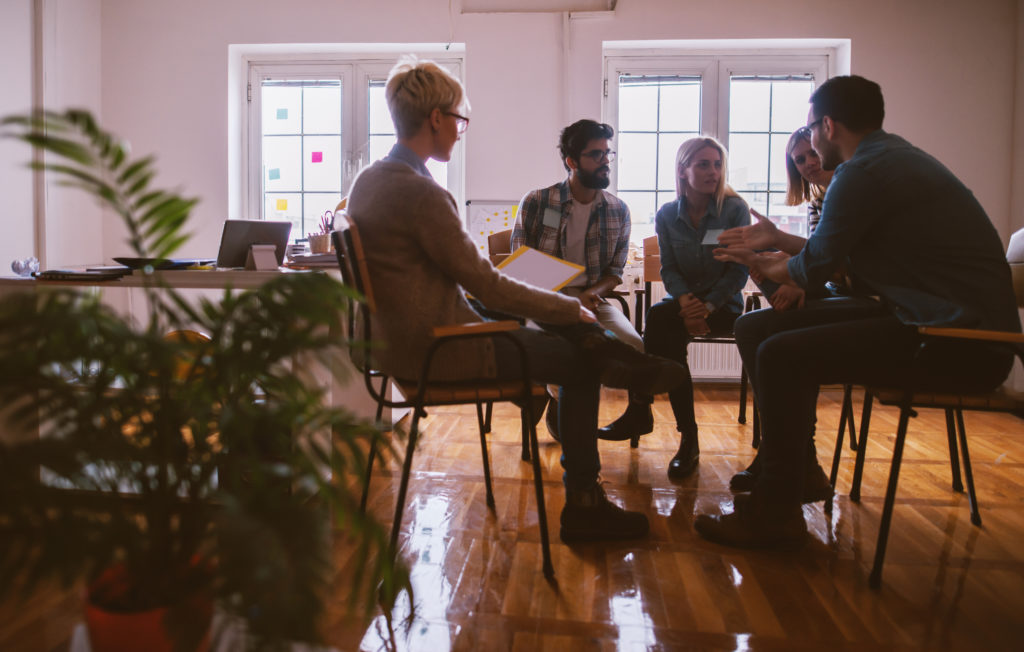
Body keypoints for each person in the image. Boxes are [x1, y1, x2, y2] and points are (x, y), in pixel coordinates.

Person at [346, 56, 687, 543]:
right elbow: (486, 282)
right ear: (436, 119)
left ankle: (605, 348)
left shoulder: (369, 182)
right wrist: (570, 308)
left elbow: (465, 282)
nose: (462, 130)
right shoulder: (421, 193)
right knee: (575, 362)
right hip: (439, 349)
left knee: (564, 332)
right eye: (459, 119)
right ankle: (585, 503)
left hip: (398, 342)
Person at [698, 75, 1020, 547]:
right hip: (928, 318)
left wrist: (761, 261)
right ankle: (795, 470)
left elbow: (814, 268)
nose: (808, 142)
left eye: (810, 131)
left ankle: (775, 513)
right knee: (754, 328)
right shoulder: (888, 158)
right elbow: (845, 267)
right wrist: (771, 259)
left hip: (959, 342)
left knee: (782, 353)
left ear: (828, 125)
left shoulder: (861, 172)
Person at [512, 120, 649, 444]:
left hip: (592, 299)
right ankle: (562, 409)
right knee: (563, 354)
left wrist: (592, 293)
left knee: (634, 345)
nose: (605, 161)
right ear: (572, 162)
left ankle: (639, 412)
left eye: (607, 154)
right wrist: (560, 299)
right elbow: (521, 263)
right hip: (545, 298)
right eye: (595, 155)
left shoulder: (618, 210)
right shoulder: (537, 201)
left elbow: (615, 269)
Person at [728, 126, 839, 501]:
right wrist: (783, 266)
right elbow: (817, 256)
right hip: (833, 292)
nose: (808, 163)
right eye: (799, 159)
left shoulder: (848, 192)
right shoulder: (819, 201)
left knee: (767, 334)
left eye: (811, 153)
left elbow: (831, 262)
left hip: (851, 299)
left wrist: (799, 279)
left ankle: (786, 456)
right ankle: (793, 456)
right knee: (764, 294)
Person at [642, 137, 750, 479]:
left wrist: (708, 305)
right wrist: (687, 301)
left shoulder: (734, 210)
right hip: (685, 302)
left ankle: (642, 405)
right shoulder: (666, 215)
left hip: (724, 303)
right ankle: (687, 436)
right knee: (661, 320)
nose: (713, 172)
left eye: (717, 165)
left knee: (664, 324)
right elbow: (669, 268)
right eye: (703, 164)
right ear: (682, 170)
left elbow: (739, 269)